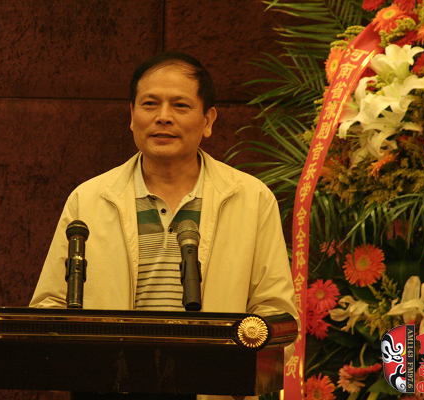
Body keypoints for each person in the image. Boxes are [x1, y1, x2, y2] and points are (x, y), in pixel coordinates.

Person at [30, 52, 299, 400]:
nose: (163, 117)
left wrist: (234, 371)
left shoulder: (250, 198)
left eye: (180, 106)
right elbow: (49, 305)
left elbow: (276, 315)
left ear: (208, 120)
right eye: (150, 104)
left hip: (213, 392)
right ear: (132, 116)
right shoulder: (90, 199)